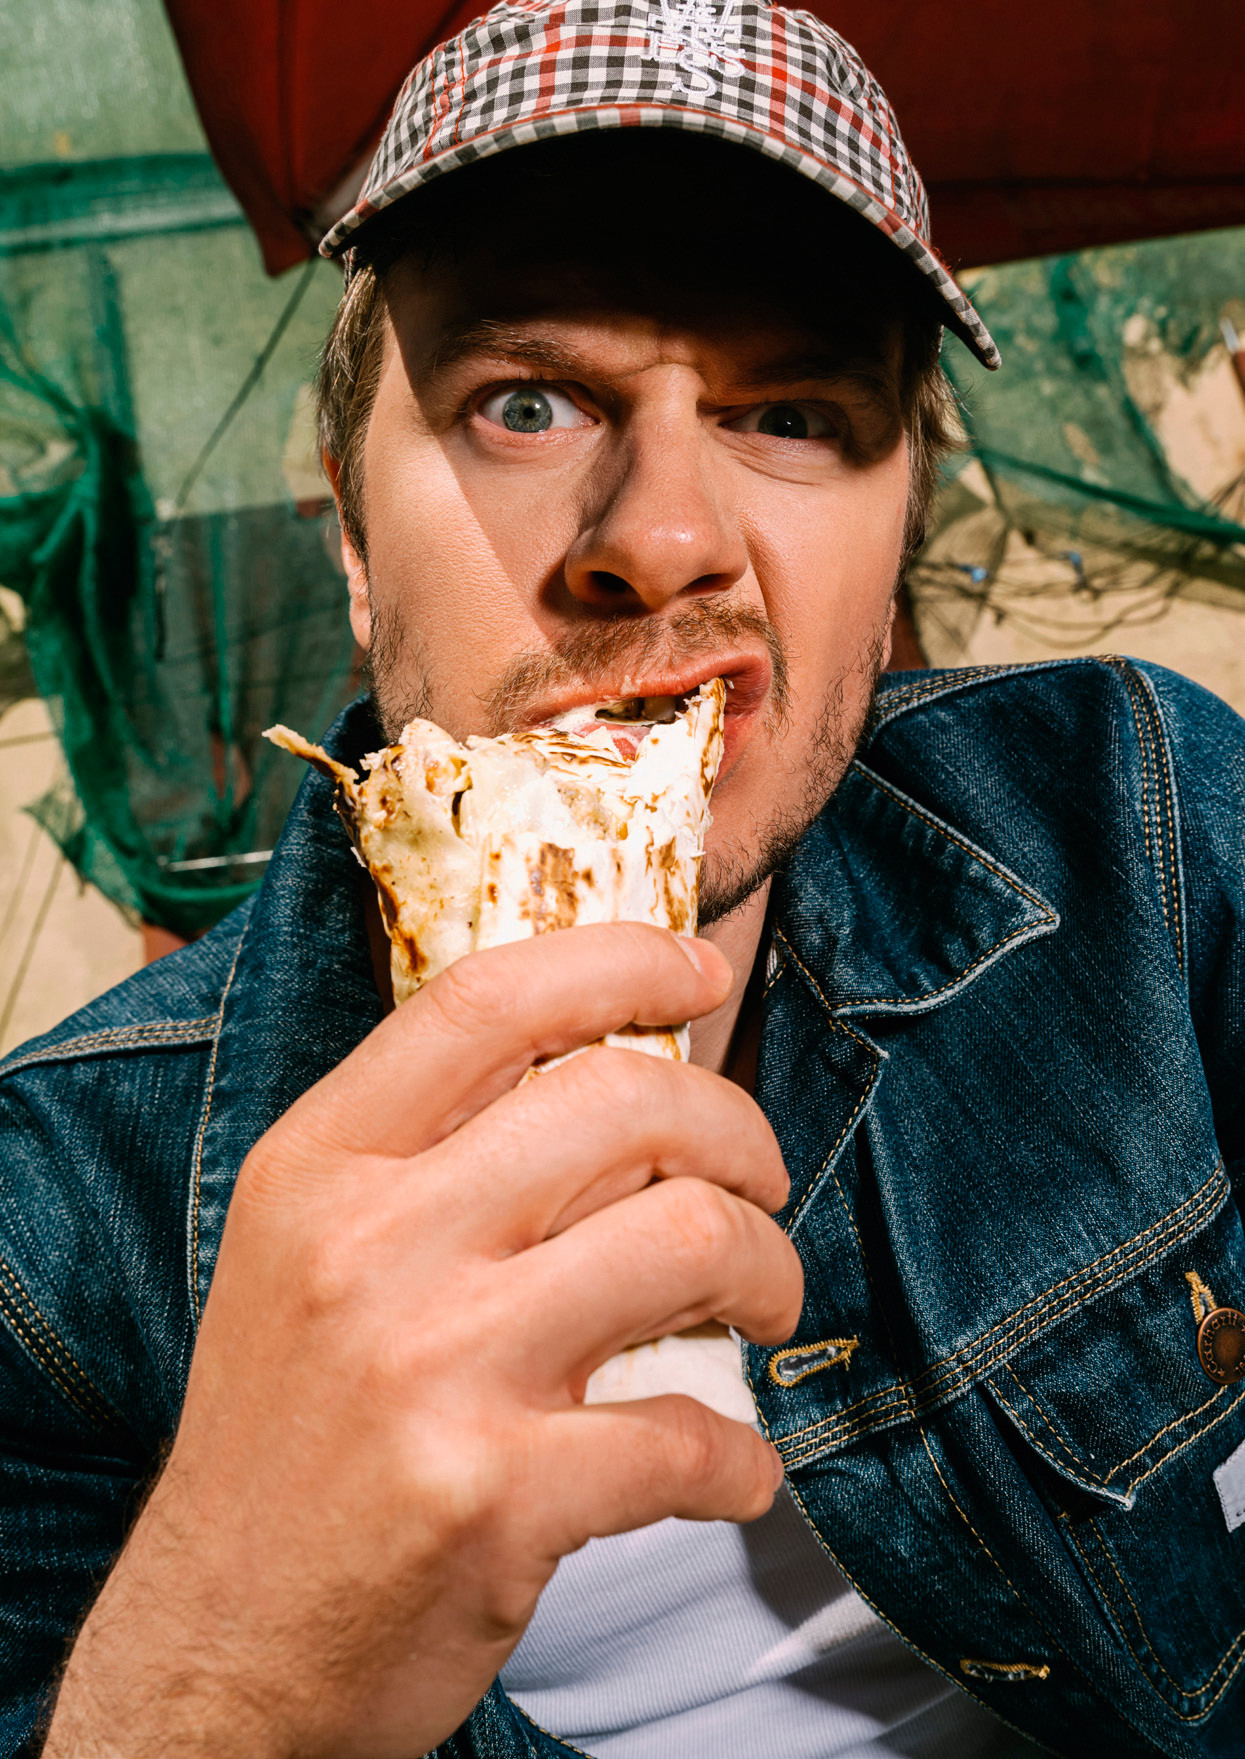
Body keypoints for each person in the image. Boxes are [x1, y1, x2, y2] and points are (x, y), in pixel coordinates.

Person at [3, 2, 1243, 1754]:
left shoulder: (1138, 811)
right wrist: (229, 1666)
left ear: (900, 529)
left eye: (791, 412)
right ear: (352, 543)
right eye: (524, 404)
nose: (660, 538)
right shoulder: (49, 1236)